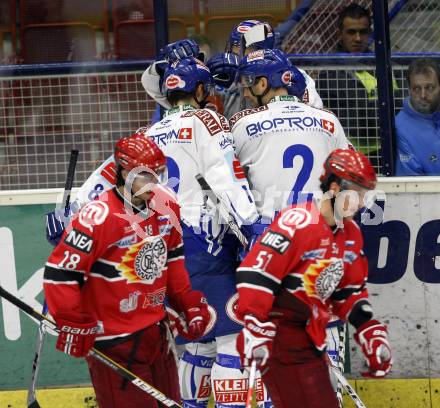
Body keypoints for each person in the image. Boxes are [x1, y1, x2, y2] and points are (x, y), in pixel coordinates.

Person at [43, 133, 212, 408]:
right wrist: (71, 318)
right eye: (147, 176)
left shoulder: (165, 205)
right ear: (124, 172)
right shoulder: (98, 216)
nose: (154, 183)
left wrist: (186, 302)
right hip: (115, 345)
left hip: (157, 337)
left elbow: (172, 260)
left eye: (158, 174)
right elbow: (60, 275)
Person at [148, 57, 271, 408]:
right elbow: (224, 175)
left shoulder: (149, 131)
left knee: (200, 343)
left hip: (168, 244)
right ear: (200, 90)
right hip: (207, 242)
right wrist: (250, 223)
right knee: (234, 336)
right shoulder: (207, 118)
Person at [235, 149, 393, 408]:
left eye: (366, 194)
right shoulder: (299, 222)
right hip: (279, 338)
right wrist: (254, 324)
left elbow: (349, 292)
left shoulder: (350, 234)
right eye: (358, 193)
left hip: (309, 337)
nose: (362, 203)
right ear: (334, 187)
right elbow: (256, 273)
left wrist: (368, 329)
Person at [231, 48, 352, 222]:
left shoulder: (242, 123)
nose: (245, 93)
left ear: (263, 84)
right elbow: (349, 176)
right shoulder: (329, 120)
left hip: (271, 231)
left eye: (247, 84)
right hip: (320, 228)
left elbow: (227, 178)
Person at [316, 3, 402, 167]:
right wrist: (398, 103)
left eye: (362, 32)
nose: (357, 38)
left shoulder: (386, 63)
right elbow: (362, 125)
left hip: (398, 149)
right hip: (358, 159)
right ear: (339, 34)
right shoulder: (331, 74)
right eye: (351, 32)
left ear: (369, 33)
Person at [207, 19, 323, 118]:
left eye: (242, 47)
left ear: (261, 51)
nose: (235, 53)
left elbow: (316, 114)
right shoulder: (225, 75)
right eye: (234, 46)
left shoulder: (291, 75)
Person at [395, 58, 440, 175]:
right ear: (409, 90)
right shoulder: (400, 127)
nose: (423, 95)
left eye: (429, 88)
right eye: (416, 89)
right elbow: (412, 185)